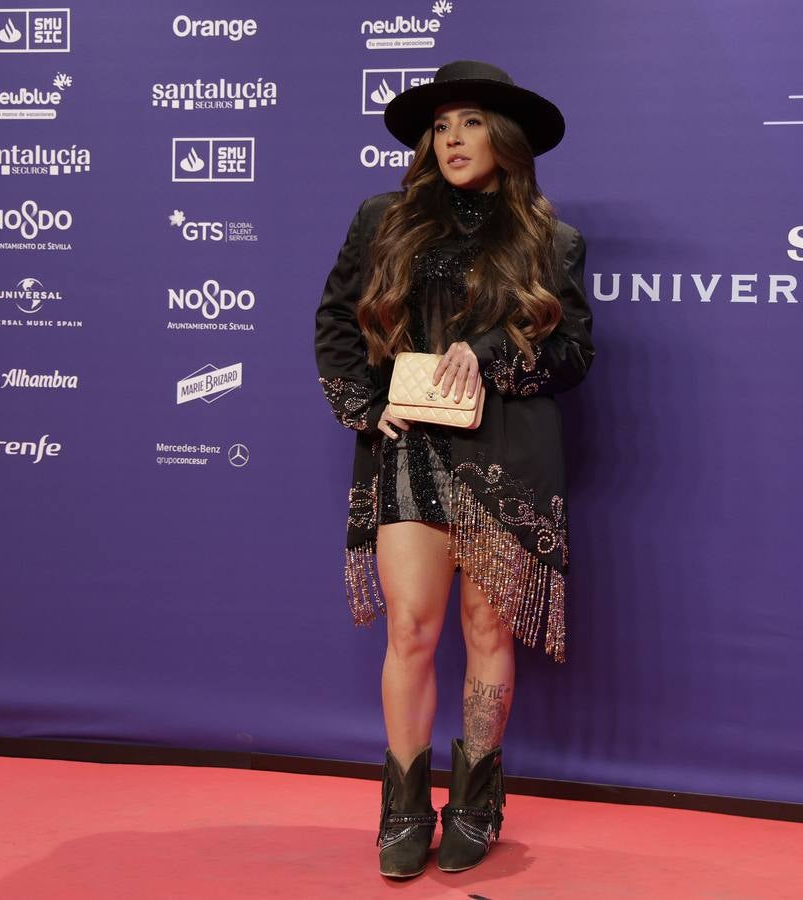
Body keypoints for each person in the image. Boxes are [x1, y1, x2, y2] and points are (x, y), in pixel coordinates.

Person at [312, 60, 594, 879]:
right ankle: (403, 805)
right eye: (441, 126)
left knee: (485, 629)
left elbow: (574, 354)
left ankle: (475, 795)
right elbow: (335, 322)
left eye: (470, 123)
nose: (453, 140)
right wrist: (366, 404)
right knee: (410, 629)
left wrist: (494, 350)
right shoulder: (384, 220)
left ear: (503, 140)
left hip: (507, 452)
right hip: (409, 451)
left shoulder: (551, 239)